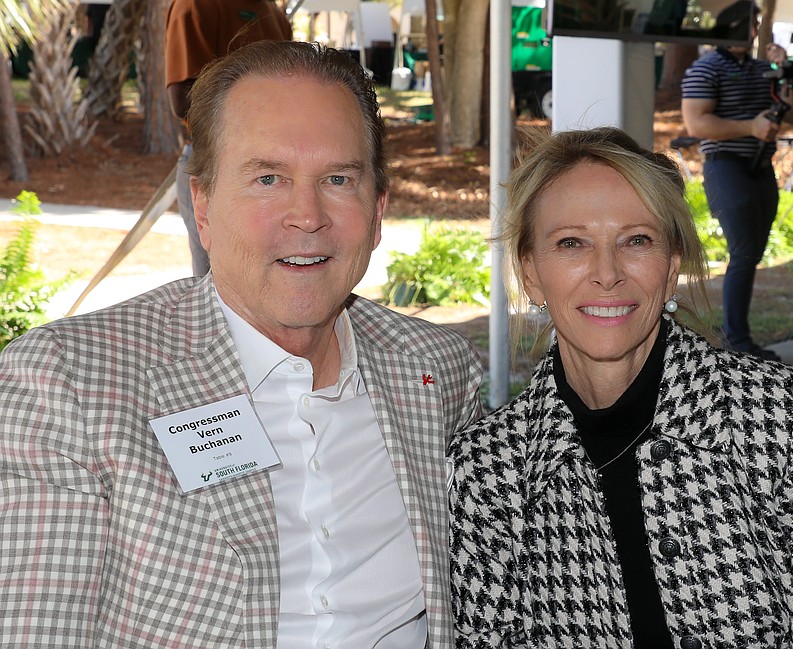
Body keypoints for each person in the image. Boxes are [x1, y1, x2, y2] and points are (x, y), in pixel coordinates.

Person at [0, 41, 483, 648]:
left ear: (379, 210)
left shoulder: (437, 372)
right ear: (202, 207)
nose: (307, 215)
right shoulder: (68, 385)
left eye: (338, 179)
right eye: (267, 178)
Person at [450, 127, 793, 647]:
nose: (607, 273)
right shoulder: (486, 469)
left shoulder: (790, 420)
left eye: (636, 240)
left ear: (672, 266)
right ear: (530, 273)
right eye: (571, 243)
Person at [681, 1, 793, 361]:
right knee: (744, 253)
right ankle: (737, 341)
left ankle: (737, 337)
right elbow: (696, 124)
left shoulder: (765, 69)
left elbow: (792, 115)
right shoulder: (705, 68)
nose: (750, 31)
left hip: (761, 167)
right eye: (744, 24)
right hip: (726, 167)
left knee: (752, 253)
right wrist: (751, 127)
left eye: (754, 24)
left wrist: (783, 71)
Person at [165, 0, 293, 276]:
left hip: (280, 166)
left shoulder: (274, 12)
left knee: (273, 277)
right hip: (217, 162)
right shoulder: (195, 5)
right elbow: (183, 101)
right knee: (219, 283)